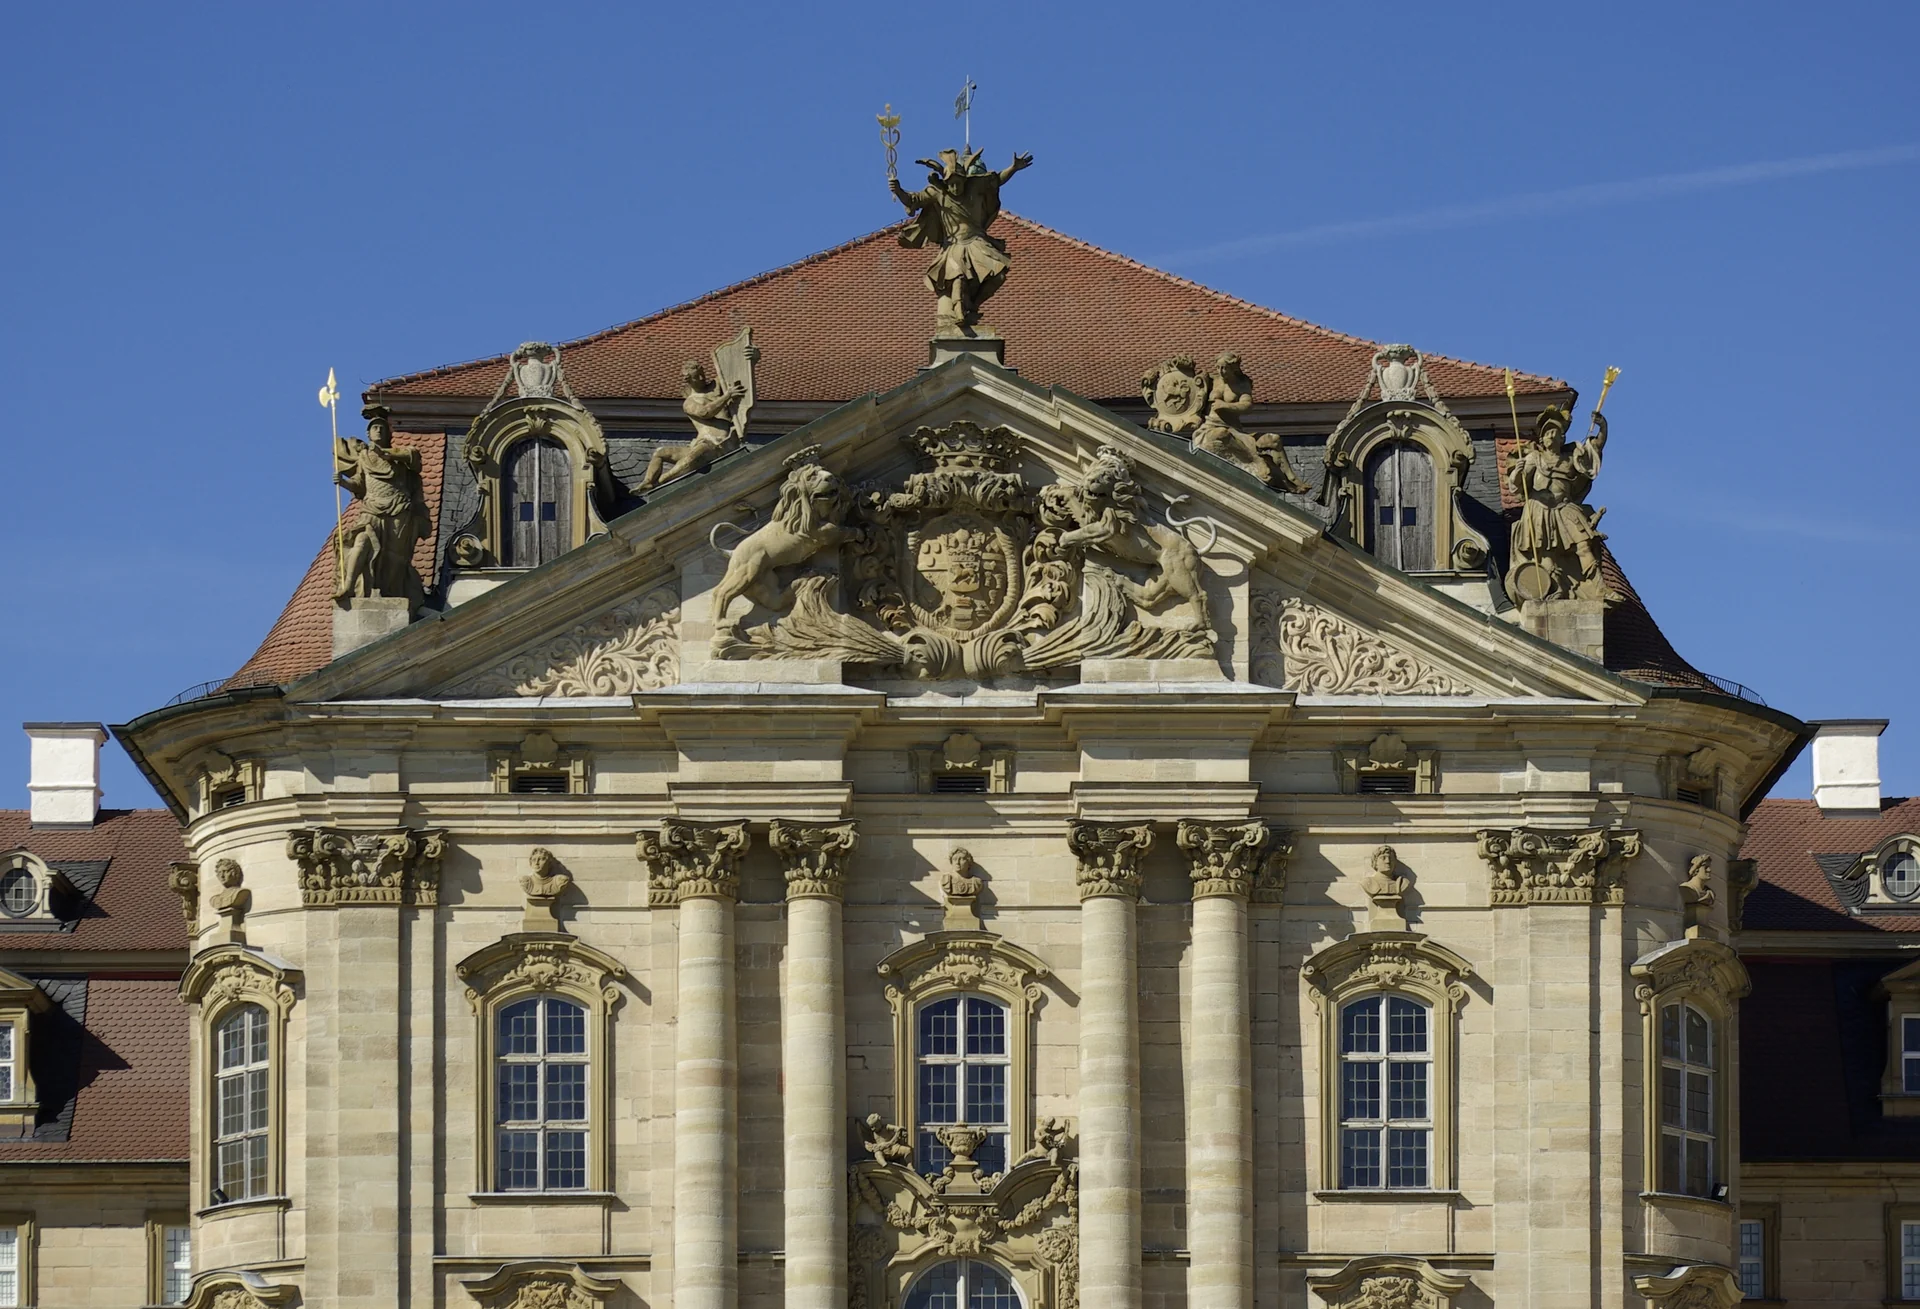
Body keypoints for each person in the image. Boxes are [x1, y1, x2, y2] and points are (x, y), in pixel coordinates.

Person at [890, 146, 1033, 335]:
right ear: (946, 183)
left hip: (976, 241)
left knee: (999, 275)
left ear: (965, 180)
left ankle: (972, 307)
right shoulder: (937, 193)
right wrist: (898, 190)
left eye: (959, 183)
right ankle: (959, 315)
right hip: (954, 243)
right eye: (952, 184)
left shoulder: (975, 187)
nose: (956, 188)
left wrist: (1013, 168)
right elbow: (912, 200)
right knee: (958, 276)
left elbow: (996, 180)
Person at [334, 405, 430, 610]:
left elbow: (415, 459)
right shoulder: (364, 458)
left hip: (398, 511)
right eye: (374, 428)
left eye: (382, 428)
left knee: (394, 560)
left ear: (388, 433)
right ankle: (349, 585)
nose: (378, 431)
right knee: (361, 542)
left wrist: (387, 454)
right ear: (368, 433)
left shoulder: (399, 459)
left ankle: (391, 593)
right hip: (371, 510)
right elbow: (360, 485)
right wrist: (343, 482)